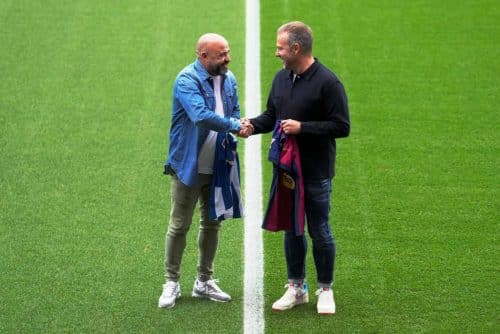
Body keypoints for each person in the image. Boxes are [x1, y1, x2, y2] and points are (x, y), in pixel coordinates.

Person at [242, 21, 350, 314]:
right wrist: (252, 126)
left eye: (280, 47)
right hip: (288, 170)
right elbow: (272, 115)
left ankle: (325, 288)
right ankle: (296, 287)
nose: (276, 53)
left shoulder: (329, 83)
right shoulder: (281, 79)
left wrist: (303, 127)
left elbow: (342, 126)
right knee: (293, 229)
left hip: (315, 171)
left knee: (320, 229)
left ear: (296, 48)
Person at [158, 33, 246, 309]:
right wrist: (234, 125)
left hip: (218, 162)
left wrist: (239, 125)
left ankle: (203, 281)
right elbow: (200, 115)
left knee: (212, 222)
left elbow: (235, 110)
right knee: (179, 225)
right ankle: (171, 282)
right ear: (202, 56)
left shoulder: (229, 79)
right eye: (221, 55)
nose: (228, 58)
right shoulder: (186, 80)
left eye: (228, 52)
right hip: (189, 164)